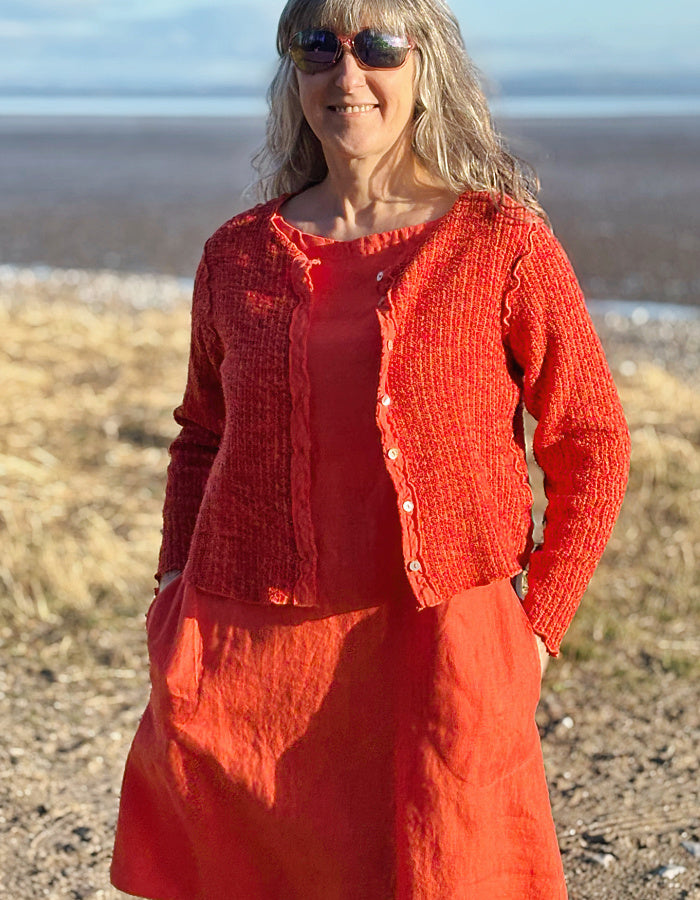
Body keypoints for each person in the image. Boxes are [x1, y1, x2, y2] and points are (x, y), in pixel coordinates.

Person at [111, 0, 630, 897]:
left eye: (376, 47)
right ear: (294, 74)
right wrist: (170, 587)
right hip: (252, 653)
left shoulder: (500, 243)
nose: (346, 76)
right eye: (318, 48)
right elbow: (203, 434)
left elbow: (591, 436)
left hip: (438, 646)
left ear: (427, 68)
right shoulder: (236, 256)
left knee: (447, 869)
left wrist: (538, 624)